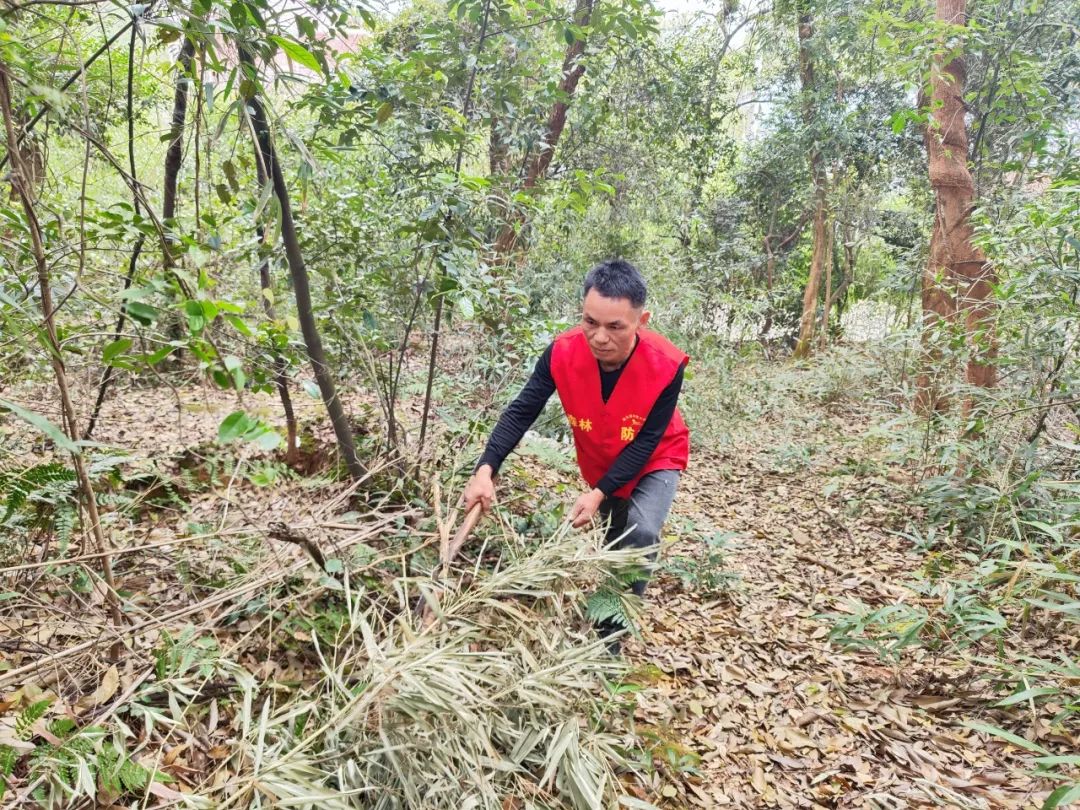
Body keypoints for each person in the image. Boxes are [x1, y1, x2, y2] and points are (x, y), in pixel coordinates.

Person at [462, 258, 690, 650]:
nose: (599, 337)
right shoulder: (562, 353)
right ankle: (608, 599)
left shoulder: (666, 364)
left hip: (656, 457)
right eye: (590, 322)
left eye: (615, 326)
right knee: (616, 537)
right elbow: (521, 411)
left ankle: (609, 644)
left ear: (642, 320)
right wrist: (486, 468)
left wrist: (598, 492)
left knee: (642, 532)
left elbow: (647, 441)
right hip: (600, 457)